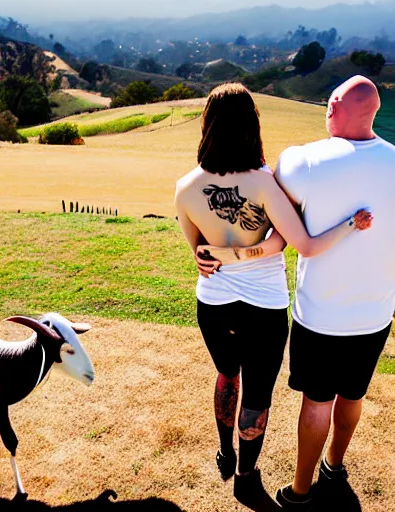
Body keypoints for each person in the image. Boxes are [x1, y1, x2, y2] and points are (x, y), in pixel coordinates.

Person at [174, 82, 372, 509]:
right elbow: (308, 245)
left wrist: (221, 254)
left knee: (227, 376)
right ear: (252, 127)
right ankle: (246, 473)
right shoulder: (265, 184)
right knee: (258, 393)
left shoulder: (186, 187)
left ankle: (224, 450)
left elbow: (199, 253)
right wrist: (351, 224)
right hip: (263, 307)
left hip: (213, 304)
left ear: (207, 126)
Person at [270, 75, 395, 511]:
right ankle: (334, 466)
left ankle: (301, 490)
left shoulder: (303, 161)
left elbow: (272, 191)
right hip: (376, 313)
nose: (326, 107)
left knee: (317, 401)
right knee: (354, 395)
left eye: (330, 101)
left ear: (338, 105)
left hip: (319, 315)